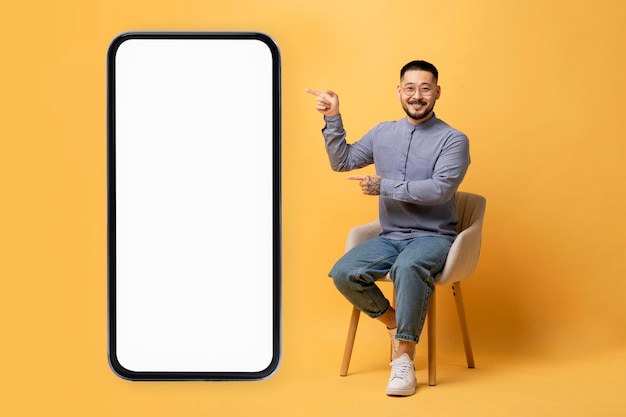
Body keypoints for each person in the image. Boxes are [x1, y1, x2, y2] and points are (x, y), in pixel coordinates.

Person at [306, 60, 470, 396]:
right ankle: (395, 323)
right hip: (391, 236)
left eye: (425, 88)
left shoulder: (453, 140)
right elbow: (343, 161)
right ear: (399, 91)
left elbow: (439, 190)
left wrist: (385, 187)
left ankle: (404, 361)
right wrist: (332, 117)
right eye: (410, 88)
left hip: (434, 237)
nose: (417, 95)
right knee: (344, 272)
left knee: (410, 266)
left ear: (437, 92)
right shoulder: (383, 133)